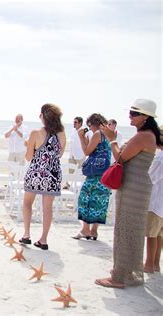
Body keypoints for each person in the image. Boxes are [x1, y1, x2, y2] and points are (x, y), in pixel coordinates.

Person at [96, 99, 161, 288]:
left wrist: (112, 139)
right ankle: (127, 271)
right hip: (139, 187)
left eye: (134, 113)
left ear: (145, 117)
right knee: (133, 230)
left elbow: (120, 158)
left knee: (125, 229)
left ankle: (119, 277)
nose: (130, 116)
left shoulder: (143, 136)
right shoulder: (148, 135)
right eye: (130, 112)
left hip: (133, 188)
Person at [19, 104, 66, 250]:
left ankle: (26, 235)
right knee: (47, 208)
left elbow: (28, 157)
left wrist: (28, 145)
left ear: (43, 116)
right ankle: (43, 240)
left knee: (27, 203)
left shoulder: (35, 133)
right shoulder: (62, 133)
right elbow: (59, 154)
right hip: (53, 174)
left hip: (36, 173)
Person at [72, 114, 111, 241]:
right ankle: (93, 231)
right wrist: (83, 138)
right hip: (104, 173)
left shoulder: (97, 134)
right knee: (99, 201)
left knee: (85, 198)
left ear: (93, 124)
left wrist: (80, 136)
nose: (89, 128)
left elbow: (87, 152)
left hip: (95, 175)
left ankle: (85, 230)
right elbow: (92, 148)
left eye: (89, 126)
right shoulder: (108, 134)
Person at [144, 126, 163, 273]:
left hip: (156, 202)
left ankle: (149, 264)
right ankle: (156, 263)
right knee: (159, 234)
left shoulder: (160, 158)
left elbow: (151, 177)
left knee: (151, 234)